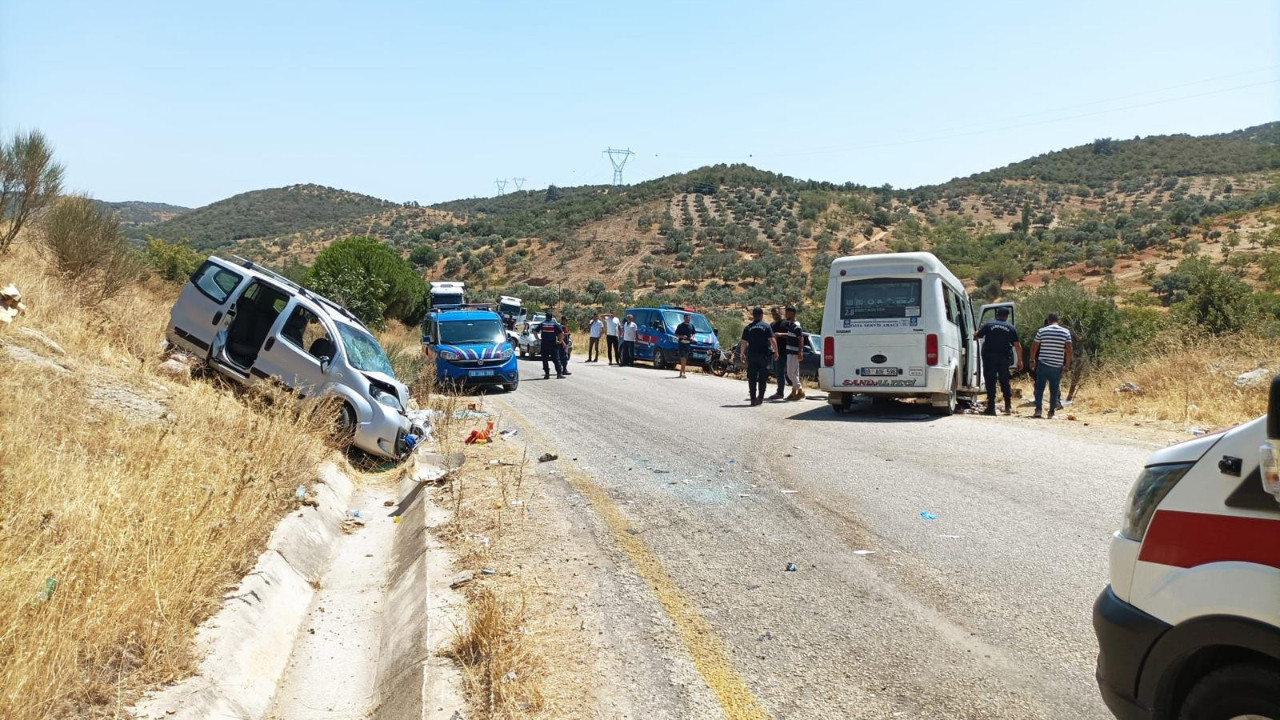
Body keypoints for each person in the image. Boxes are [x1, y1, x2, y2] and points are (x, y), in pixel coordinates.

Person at [974, 307, 1022, 415]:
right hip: (1004, 358)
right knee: (1004, 381)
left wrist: (976, 333)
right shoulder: (1011, 327)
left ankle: (991, 408)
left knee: (990, 381)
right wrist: (1020, 360)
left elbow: (977, 336)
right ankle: (1008, 406)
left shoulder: (988, 324)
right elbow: (1017, 345)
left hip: (990, 358)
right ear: (1007, 316)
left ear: (997, 314)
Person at [1029, 313, 1072, 419]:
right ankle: (1051, 412)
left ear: (1048, 321)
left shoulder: (1042, 331)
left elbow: (1034, 347)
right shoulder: (1065, 332)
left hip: (1043, 364)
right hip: (1057, 365)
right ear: (1058, 320)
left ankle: (1038, 410)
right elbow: (1069, 350)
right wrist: (1067, 365)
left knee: (1039, 388)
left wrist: (1032, 360)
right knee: (1054, 390)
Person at [739, 307, 778, 406]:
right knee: (762, 377)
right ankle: (760, 398)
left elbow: (743, 342)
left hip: (752, 355)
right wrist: (776, 352)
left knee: (752, 377)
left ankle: (752, 399)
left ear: (753, 316)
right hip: (764, 355)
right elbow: (772, 340)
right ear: (761, 315)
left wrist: (742, 353)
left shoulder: (748, 327)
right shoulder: (766, 326)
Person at [780, 306, 805, 400]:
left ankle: (800, 390)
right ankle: (794, 392)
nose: (785, 314)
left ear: (792, 314)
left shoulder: (796, 325)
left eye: (787, 313)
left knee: (790, 373)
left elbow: (801, 338)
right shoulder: (791, 324)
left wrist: (800, 351)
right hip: (790, 352)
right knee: (795, 373)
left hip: (793, 353)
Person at [538, 310, 567, 379]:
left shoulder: (542, 323)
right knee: (556, 359)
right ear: (551, 317)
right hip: (553, 344)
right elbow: (561, 333)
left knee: (545, 359)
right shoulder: (555, 324)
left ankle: (547, 374)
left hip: (544, 343)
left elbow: (535, 331)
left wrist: (538, 338)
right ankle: (559, 374)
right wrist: (560, 341)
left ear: (546, 317)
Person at [768, 307, 789, 399]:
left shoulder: (786, 323)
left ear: (781, 313)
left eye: (776, 314)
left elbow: (792, 335)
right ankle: (780, 391)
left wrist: (780, 335)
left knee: (780, 371)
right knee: (777, 371)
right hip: (774, 352)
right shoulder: (771, 325)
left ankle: (780, 393)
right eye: (773, 314)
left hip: (784, 351)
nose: (775, 316)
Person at [674, 313, 695, 378]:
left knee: (685, 358)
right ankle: (683, 373)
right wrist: (682, 336)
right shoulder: (680, 326)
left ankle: (681, 373)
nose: (688, 319)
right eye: (687, 318)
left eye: (689, 318)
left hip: (688, 344)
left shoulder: (691, 326)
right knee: (683, 358)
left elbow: (693, 333)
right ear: (684, 318)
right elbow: (676, 334)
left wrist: (692, 337)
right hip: (681, 343)